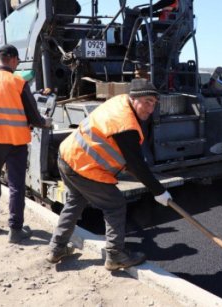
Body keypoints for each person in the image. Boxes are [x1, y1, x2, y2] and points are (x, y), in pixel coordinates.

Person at [46, 78, 173, 271]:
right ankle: (115, 255)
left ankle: (56, 249)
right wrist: (159, 191)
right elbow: (136, 165)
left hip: (67, 156)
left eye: (154, 103)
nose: (150, 109)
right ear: (134, 98)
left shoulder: (121, 101)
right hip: (82, 166)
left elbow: (129, 158)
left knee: (75, 201)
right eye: (147, 102)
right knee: (114, 204)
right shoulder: (125, 124)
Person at [0, 44, 52, 243]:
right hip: (16, 143)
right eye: (17, 61)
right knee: (16, 186)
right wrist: (46, 122)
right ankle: (15, 230)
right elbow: (33, 115)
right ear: (13, 59)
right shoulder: (18, 82)